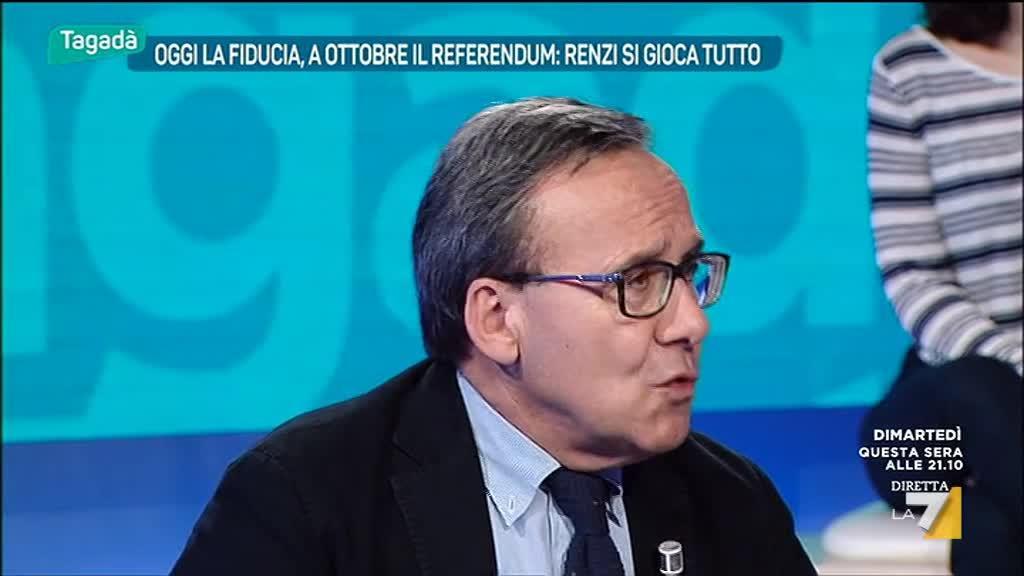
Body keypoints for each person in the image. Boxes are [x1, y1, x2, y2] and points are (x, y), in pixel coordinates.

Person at [171, 97, 818, 576]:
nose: (692, 323)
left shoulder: (731, 503)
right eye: (639, 282)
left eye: (688, 273)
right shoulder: (306, 502)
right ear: (497, 319)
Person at [860, 3, 1022, 575]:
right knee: (979, 388)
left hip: (979, 489)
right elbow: (912, 272)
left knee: (984, 524)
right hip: (939, 419)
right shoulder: (909, 67)